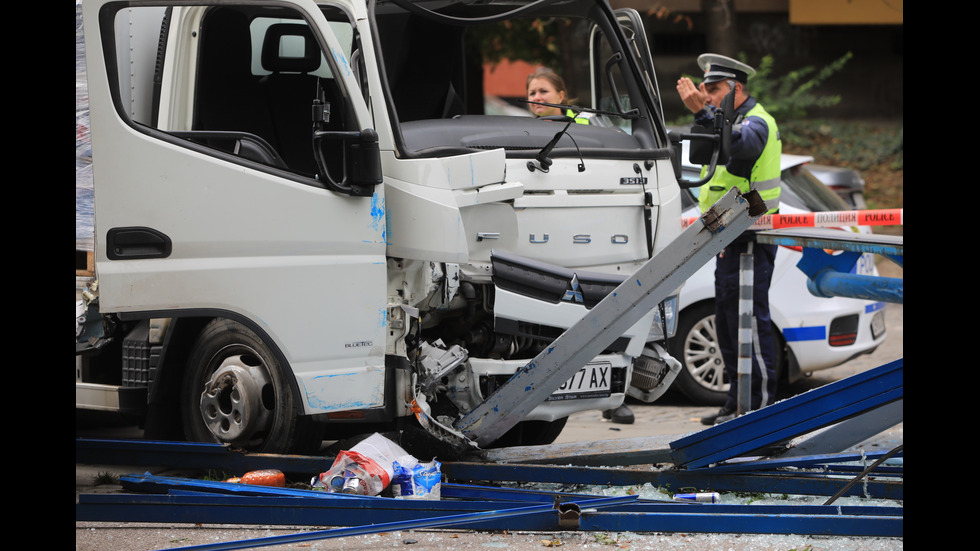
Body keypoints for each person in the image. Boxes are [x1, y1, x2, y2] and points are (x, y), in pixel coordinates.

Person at [676, 54, 782, 426]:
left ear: (736, 89)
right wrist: (703, 115)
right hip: (727, 238)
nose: (707, 96)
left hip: (752, 239)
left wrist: (706, 114)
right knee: (726, 324)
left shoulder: (757, 121)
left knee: (750, 324)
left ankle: (762, 413)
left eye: (715, 90)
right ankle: (736, 404)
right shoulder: (727, 118)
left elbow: (741, 149)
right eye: (704, 89)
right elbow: (704, 150)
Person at [525, 68, 592, 124]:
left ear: (560, 96)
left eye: (543, 91)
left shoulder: (589, 121)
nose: (537, 98)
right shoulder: (526, 128)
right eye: (532, 93)